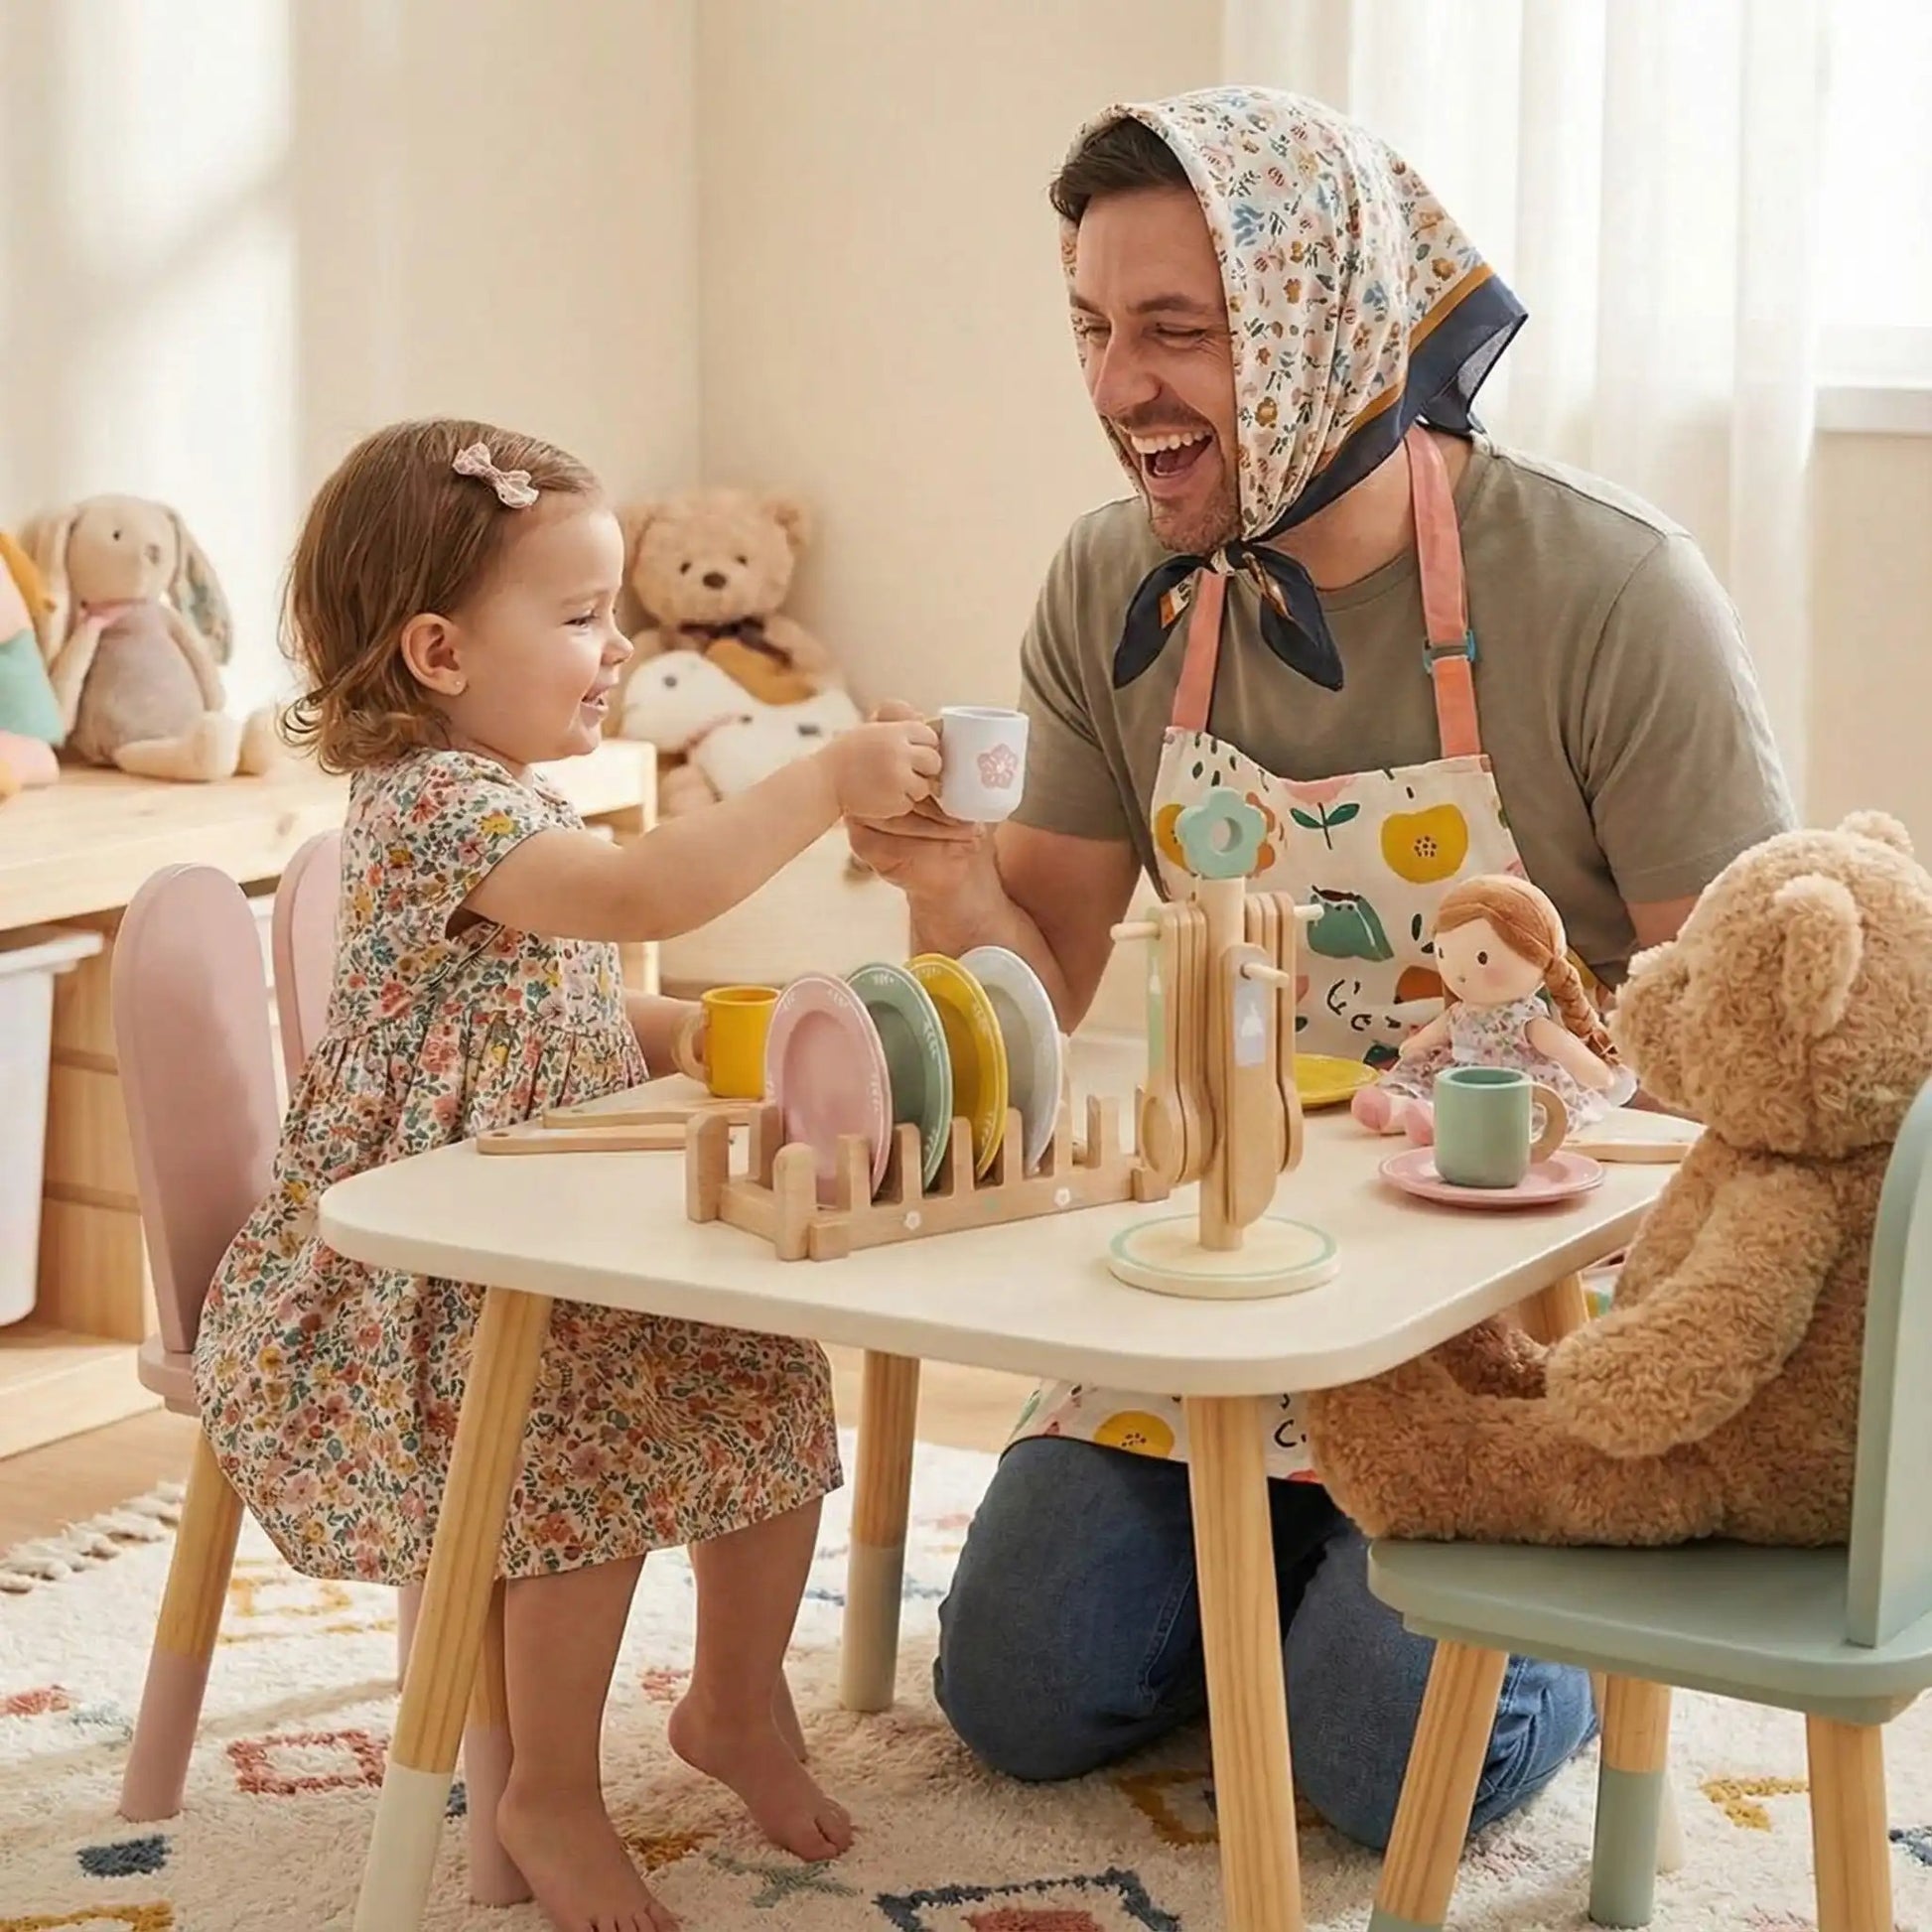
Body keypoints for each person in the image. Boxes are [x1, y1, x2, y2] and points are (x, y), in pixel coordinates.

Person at [849, 88, 1795, 1848]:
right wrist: (934, 877)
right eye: (1093, 326)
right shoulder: (1109, 584)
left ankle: (1519, 1629)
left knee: (1370, 1774)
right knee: (1021, 1693)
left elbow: (1740, 1060)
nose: (1120, 384)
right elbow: (1033, 984)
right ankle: (1304, 1559)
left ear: (1323, 327)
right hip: (1228, 1291)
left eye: (1177, 333)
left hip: (1519, 1327)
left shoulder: (1605, 587)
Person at [194, 418, 939, 1932]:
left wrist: (712, 1029)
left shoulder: (513, 798)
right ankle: (547, 1783)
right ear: (438, 654)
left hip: (548, 1218)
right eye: (583, 614)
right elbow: (638, 892)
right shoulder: (439, 806)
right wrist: (820, 776)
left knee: (767, 1382)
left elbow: (566, 1002)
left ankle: (731, 1705)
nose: (614, 651)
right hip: (428, 1267)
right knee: (566, 1471)